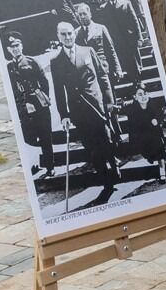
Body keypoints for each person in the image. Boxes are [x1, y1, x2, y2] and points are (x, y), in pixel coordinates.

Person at [48, 20, 120, 194]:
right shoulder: (56, 61)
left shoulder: (88, 51)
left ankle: (113, 163)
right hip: (78, 110)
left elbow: (102, 76)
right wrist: (64, 115)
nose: (67, 37)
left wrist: (109, 100)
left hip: (97, 104)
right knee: (91, 146)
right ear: (58, 36)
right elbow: (59, 91)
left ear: (74, 33)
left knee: (106, 138)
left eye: (70, 33)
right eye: (63, 34)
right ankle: (105, 179)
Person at [5, 32, 58, 179]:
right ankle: (36, 162)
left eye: (17, 45)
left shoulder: (31, 61)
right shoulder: (9, 67)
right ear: (9, 50)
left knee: (45, 136)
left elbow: (44, 81)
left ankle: (50, 167)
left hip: (39, 104)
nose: (15, 49)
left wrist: (44, 99)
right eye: (12, 47)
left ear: (21, 46)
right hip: (23, 108)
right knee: (28, 137)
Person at [122, 86, 166, 181]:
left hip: (154, 133)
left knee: (159, 149)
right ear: (135, 97)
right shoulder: (132, 108)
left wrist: (157, 120)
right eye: (140, 94)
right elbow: (123, 112)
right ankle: (150, 156)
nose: (143, 96)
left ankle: (162, 172)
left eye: (145, 93)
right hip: (141, 135)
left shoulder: (153, 103)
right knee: (148, 153)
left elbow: (161, 113)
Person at [75, 2, 126, 83]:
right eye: (80, 15)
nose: (82, 17)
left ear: (90, 14)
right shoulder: (76, 33)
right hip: (88, 74)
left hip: (104, 69)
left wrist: (118, 68)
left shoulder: (100, 28)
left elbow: (111, 50)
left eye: (84, 14)